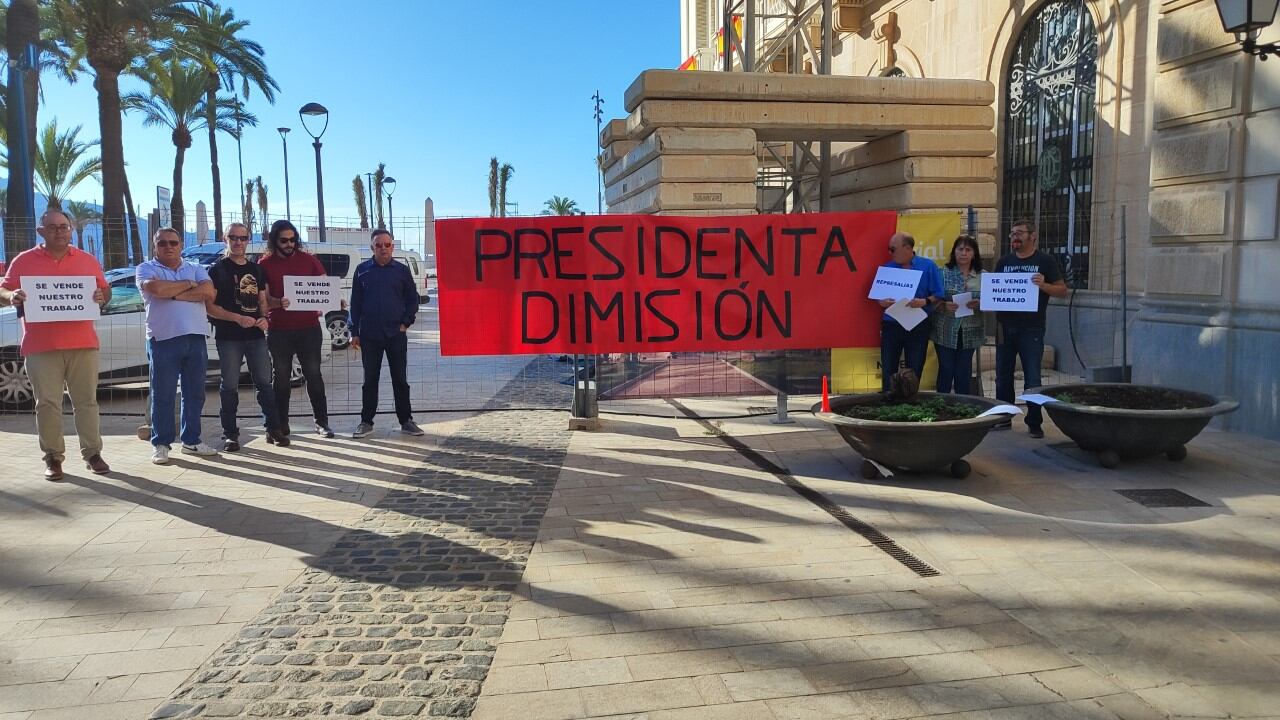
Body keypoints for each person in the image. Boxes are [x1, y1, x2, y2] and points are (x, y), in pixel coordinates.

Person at [0, 209, 111, 480]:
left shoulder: (87, 260)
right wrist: (11, 295)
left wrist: (101, 295)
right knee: (47, 404)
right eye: (52, 227)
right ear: (41, 231)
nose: (59, 232)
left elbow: (105, 291)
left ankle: (93, 454)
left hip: (83, 343)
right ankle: (53, 457)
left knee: (86, 402)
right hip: (40, 345)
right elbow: (2, 291)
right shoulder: (24, 261)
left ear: (71, 229)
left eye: (63, 227)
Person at [137, 227, 219, 464]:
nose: (168, 247)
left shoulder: (196, 267)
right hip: (162, 339)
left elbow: (209, 293)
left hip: (195, 338)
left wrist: (174, 292)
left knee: (194, 394)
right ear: (155, 246)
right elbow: (156, 289)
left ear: (181, 244)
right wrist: (188, 285)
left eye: (173, 242)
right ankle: (161, 444)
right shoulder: (146, 269)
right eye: (162, 243)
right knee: (162, 394)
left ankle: (191, 441)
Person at [205, 223, 289, 451]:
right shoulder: (216, 270)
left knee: (265, 384)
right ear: (226, 239)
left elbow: (263, 300)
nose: (238, 242)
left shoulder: (256, 269)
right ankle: (230, 434)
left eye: (243, 238)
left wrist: (264, 318)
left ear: (248, 239)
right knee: (229, 386)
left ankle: (273, 429)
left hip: (255, 336)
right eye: (234, 237)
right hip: (228, 337)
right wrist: (236, 318)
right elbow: (209, 307)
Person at [257, 219, 333, 437]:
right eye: (284, 240)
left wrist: (333, 300)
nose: (289, 244)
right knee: (280, 378)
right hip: (279, 330)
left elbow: (324, 287)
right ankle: (280, 424)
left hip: (308, 329)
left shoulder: (309, 261)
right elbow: (264, 300)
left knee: (313, 375)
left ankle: (321, 422)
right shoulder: (265, 264)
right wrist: (278, 302)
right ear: (274, 240)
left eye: (293, 240)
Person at [994, 219, 1069, 438]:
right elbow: (995, 290)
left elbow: (1062, 290)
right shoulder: (1004, 262)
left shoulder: (1044, 261)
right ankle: (1004, 417)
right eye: (1012, 234)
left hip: (1032, 328)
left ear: (1032, 236)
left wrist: (1043, 285)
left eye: (1019, 233)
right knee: (1003, 375)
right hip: (1005, 327)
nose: (1014, 237)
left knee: (1033, 377)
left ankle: (1034, 422)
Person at [349, 229, 424, 438]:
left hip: (395, 335)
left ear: (392, 246)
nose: (383, 248)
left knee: (400, 378)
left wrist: (405, 323)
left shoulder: (401, 271)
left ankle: (406, 421)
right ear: (372, 247)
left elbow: (412, 300)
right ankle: (366, 421)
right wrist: (354, 331)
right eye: (378, 244)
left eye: (387, 244)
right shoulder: (362, 270)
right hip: (370, 336)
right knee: (369, 380)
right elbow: (355, 303)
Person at [877, 231, 943, 392]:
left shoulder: (928, 266)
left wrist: (925, 301)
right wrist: (882, 302)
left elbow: (939, 294)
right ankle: (888, 401)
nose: (890, 253)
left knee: (915, 366)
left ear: (907, 248)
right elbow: (879, 297)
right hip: (892, 325)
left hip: (917, 324)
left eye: (893, 249)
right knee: (888, 366)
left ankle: (910, 402)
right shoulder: (888, 268)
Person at [931, 234, 985, 395]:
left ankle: (964, 408)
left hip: (971, 330)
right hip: (945, 329)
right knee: (946, 369)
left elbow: (993, 301)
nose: (963, 253)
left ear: (974, 253)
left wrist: (980, 303)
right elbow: (932, 299)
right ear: (954, 252)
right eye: (960, 249)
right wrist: (943, 305)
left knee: (964, 371)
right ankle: (942, 405)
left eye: (968, 250)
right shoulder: (942, 273)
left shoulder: (984, 276)